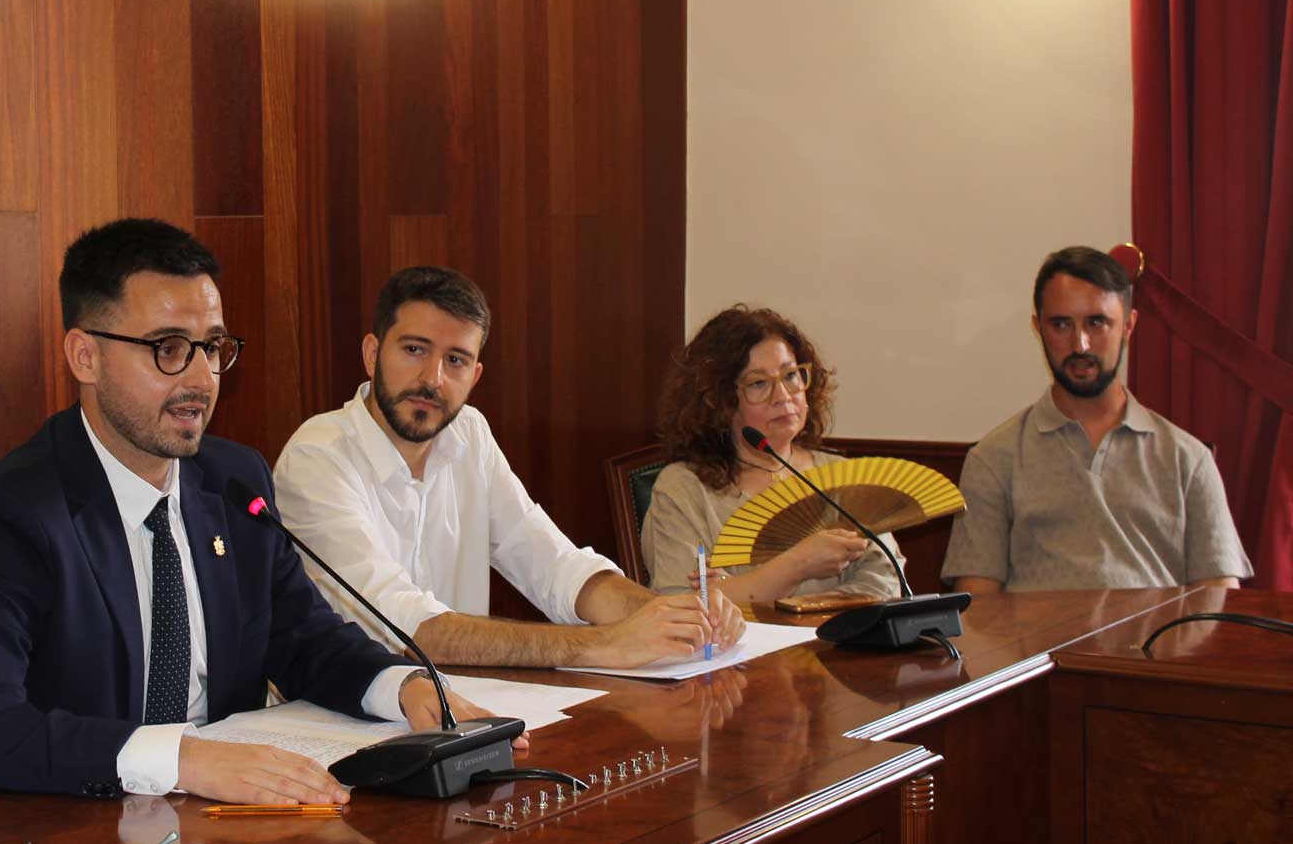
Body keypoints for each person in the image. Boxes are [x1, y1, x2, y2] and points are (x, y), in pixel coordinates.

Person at [0, 221, 515, 804]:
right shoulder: (5, 514)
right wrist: (183, 758)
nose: (202, 378)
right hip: (77, 835)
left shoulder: (233, 480)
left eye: (213, 347)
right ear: (85, 357)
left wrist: (403, 686)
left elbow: (303, 639)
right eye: (169, 349)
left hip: (232, 827)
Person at [274, 266, 744, 669]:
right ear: (373, 354)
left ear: (475, 375)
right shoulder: (318, 457)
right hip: (344, 722)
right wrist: (603, 644)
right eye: (414, 350)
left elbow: (554, 565)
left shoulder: (468, 433)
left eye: (455, 360)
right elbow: (404, 627)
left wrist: (672, 615)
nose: (432, 379)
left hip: (462, 711)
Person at [942, 246, 1252, 593]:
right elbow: (978, 613)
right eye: (1061, 324)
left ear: (1129, 326)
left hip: (1158, 647)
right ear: (1038, 328)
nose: (1081, 344)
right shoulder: (993, 460)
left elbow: (1219, 607)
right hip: (1040, 648)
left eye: (1097, 322)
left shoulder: (1189, 460)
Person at [642, 306, 904, 605]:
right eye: (759, 383)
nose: (783, 395)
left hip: (841, 648)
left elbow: (886, 584)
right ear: (720, 401)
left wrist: (741, 590)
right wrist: (799, 564)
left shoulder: (843, 477)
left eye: (791, 375)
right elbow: (683, 604)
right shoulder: (684, 489)